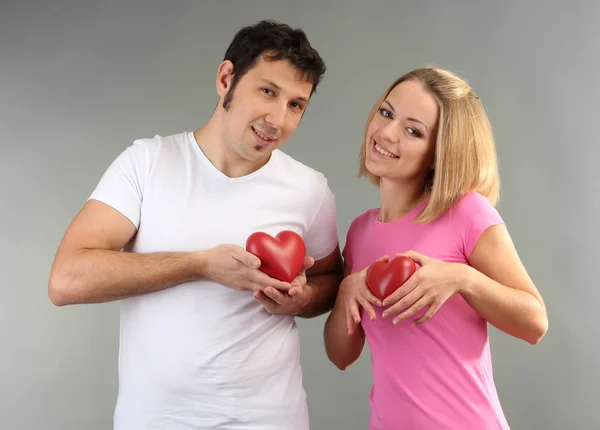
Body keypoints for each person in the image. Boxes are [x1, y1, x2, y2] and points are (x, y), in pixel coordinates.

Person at [49, 20, 343, 430]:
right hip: (156, 419)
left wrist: (303, 297)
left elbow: (330, 281)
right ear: (227, 79)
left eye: (296, 105)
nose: (278, 118)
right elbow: (66, 279)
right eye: (268, 91)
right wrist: (200, 265)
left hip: (271, 418)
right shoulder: (147, 163)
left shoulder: (310, 189)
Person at [323, 67, 548, 429]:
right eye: (386, 112)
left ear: (439, 152)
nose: (386, 133)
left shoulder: (465, 213)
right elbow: (340, 356)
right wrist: (347, 292)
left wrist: (463, 278)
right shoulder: (360, 232)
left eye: (413, 130)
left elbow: (535, 323)